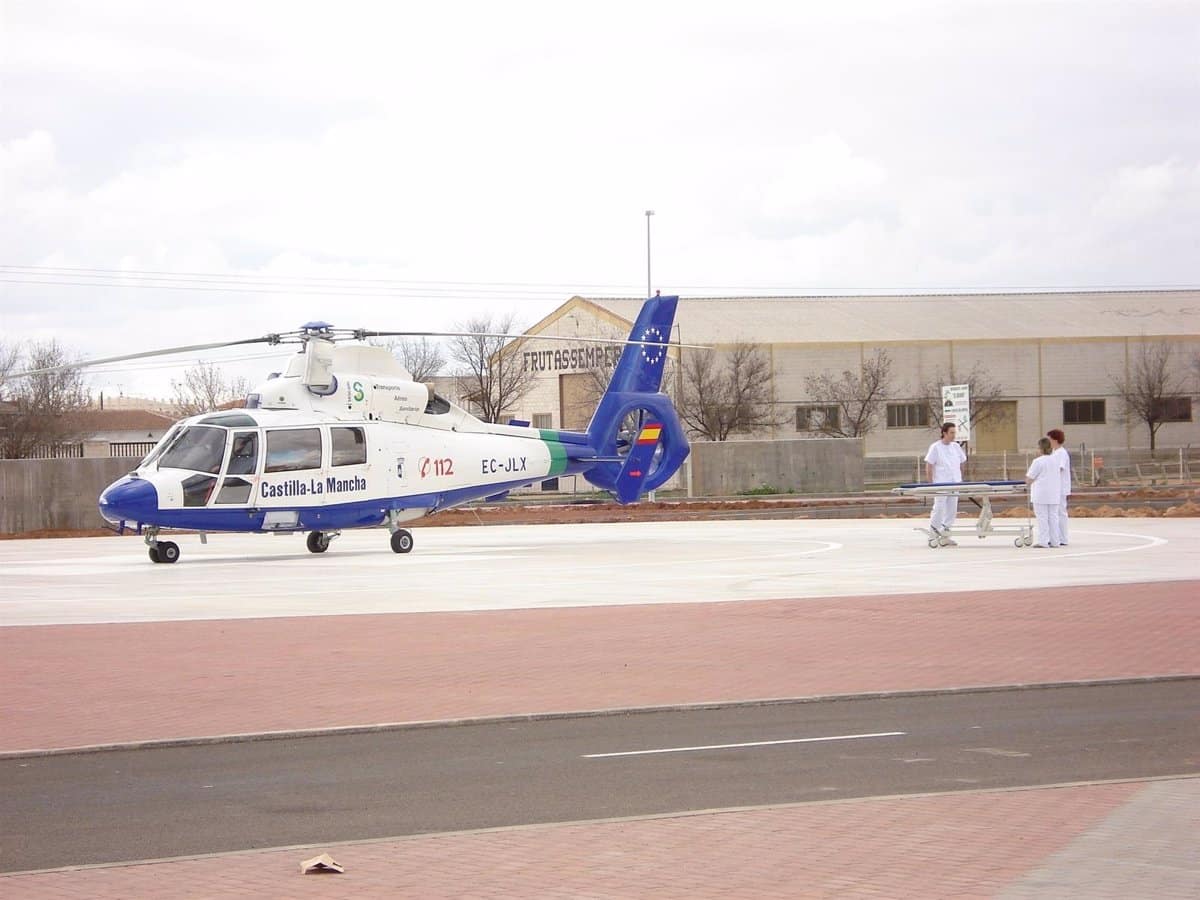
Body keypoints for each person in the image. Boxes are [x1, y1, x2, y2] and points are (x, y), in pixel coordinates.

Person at [924, 421, 967, 545]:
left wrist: (960, 478)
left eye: (954, 433)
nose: (954, 435)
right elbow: (929, 465)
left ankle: (945, 534)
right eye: (951, 433)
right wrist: (931, 483)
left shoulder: (956, 447)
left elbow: (962, 462)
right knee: (939, 508)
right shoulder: (935, 447)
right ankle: (933, 534)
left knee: (952, 510)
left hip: (955, 483)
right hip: (941, 483)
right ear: (944, 433)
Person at [1026, 437, 1061, 548]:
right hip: (1054, 493)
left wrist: (1027, 483)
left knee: (1042, 518)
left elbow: (1029, 478)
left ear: (1040, 448)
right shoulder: (1056, 460)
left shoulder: (1037, 461)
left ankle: (1043, 541)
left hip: (1041, 494)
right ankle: (1055, 541)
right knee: (1054, 518)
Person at [1047, 428, 1071, 546]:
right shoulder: (1053, 452)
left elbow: (1060, 468)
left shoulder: (1061, 453)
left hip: (1060, 487)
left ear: (1055, 440)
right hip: (1053, 487)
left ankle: (1063, 538)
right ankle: (1055, 536)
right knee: (1053, 513)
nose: (1049, 442)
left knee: (1060, 512)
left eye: (1050, 439)